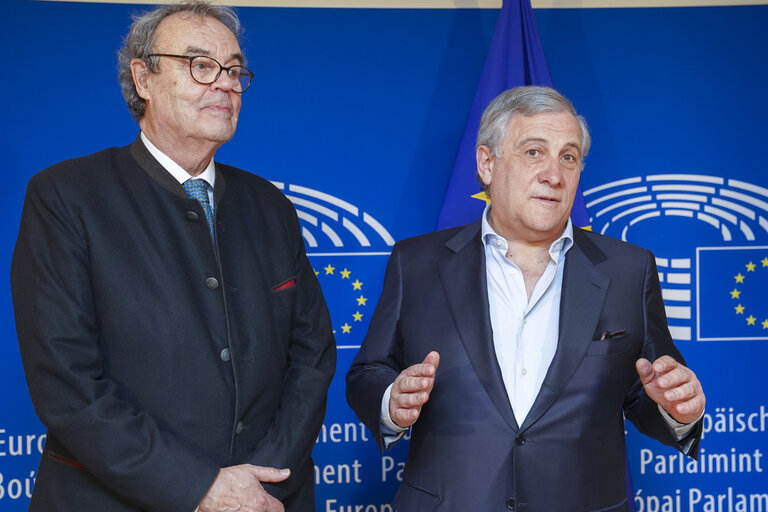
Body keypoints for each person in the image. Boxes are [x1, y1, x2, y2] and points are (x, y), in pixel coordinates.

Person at [11, 3, 335, 511]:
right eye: (200, 65)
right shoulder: (66, 196)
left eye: (234, 70)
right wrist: (199, 486)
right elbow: (67, 383)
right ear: (144, 78)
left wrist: (263, 480)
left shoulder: (270, 206)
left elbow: (312, 354)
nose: (225, 84)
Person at [346, 86, 705, 511]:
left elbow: (646, 392)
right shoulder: (417, 263)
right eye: (534, 152)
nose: (554, 174)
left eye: (568, 157)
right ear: (486, 163)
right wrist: (393, 400)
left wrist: (678, 410)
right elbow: (367, 371)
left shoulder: (629, 270)